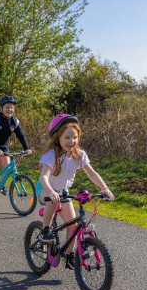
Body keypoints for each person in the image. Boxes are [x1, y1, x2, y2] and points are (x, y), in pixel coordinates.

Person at [38, 114, 114, 268]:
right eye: (67, 137)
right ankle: (45, 230)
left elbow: (91, 173)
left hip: (63, 192)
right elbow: (43, 177)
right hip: (45, 190)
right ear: (58, 138)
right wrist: (51, 192)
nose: (71, 141)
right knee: (55, 199)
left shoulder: (79, 155)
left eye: (74, 137)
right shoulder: (51, 154)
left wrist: (104, 188)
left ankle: (69, 254)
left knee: (72, 227)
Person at [0, 95, 32, 197]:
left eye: (12, 107)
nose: (10, 110)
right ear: (1, 108)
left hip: (3, 144)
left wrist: (26, 148)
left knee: (6, 165)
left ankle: (1, 184)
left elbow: (20, 135)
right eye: (7, 107)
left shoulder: (15, 121)